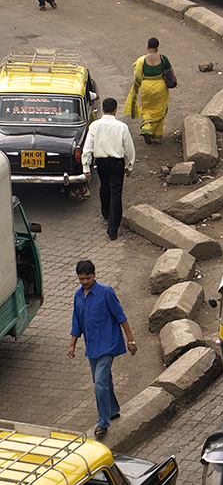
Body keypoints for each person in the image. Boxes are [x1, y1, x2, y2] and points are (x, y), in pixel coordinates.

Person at [68, 260, 137, 439]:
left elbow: (121, 316)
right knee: (103, 380)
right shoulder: (78, 296)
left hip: (108, 345)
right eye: (81, 278)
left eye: (88, 278)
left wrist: (131, 340)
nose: (84, 282)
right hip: (92, 347)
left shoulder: (106, 292)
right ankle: (113, 409)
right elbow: (77, 321)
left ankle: (103, 422)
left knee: (99, 383)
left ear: (94, 275)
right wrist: (72, 344)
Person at [81, 97, 136, 241]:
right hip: (117, 163)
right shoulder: (122, 127)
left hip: (101, 163)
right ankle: (113, 229)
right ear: (116, 109)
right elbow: (129, 148)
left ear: (103, 110)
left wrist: (86, 166)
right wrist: (129, 165)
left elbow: (87, 147)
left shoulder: (94, 125)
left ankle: (106, 213)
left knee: (104, 186)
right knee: (116, 193)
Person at [126, 37, 172, 144]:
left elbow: (137, 77)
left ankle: (147, 127)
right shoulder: (163, 58)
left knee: (147, 110)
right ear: (157, 47)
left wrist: (136, 88)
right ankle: (156, 136)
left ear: (147, 47)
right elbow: (170, 71)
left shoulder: (141, 60)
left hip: (146, 88)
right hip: (161, 87)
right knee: (160, 109)